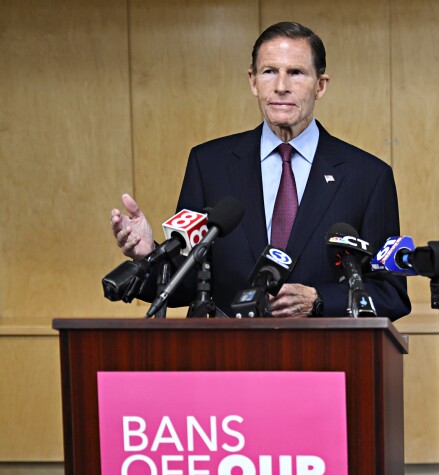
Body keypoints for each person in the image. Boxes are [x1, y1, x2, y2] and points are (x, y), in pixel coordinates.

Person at [110, 22, 409, 320]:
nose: (281, 86)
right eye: (269, 72)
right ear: (253, 81)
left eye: (296, 72)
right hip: (228, 359)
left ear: (321, 85)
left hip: (323, 359)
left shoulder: (368, 177)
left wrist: (318, 301)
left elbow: (390, 293)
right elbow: (189, 285)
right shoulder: (209, 164)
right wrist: (149, 252)